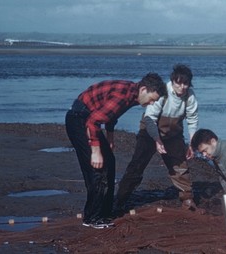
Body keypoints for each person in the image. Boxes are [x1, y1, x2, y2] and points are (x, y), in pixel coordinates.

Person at [65, 73, 167, 229]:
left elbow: (111, 116)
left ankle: (105, 212)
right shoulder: (123, 95)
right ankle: (92, 218)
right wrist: (96, 151)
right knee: (98, 169)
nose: (151, 104)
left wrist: (110, 140)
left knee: (110, 162)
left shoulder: (133, 95)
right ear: (144, 89)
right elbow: (93, 122)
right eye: (152, 99)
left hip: (89, 119)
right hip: (79, 120)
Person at [115, 64, 199, 213]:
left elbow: (192, 120)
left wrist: (192, 143)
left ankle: (187, 199)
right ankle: (120, 200)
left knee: (180, 166)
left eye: (185, 83)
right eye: (178, 83)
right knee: (137, 166)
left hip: (173, 134)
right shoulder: (163, 92)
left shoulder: (190, 96)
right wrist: (157, 140)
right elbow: (150, 119)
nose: (182, 87)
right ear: (173, 81)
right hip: (149, 131)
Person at [190, 128, 226, 194]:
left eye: (205, 150)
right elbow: (225, 180)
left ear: (213, 141)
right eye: (201, 153)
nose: (204, 155)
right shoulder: (215, 155)